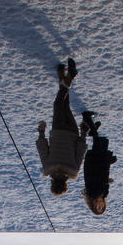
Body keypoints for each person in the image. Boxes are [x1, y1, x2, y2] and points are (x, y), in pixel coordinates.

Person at [36, 58, 87, 196]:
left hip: (72, 132)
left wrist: (83, 133)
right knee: (59, 104)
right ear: (52, 184)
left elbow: (80, 151)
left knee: (64, 104)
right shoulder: (48, 169)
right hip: (58, 131)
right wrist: (41, 132)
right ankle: (69, 76)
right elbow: (42, 148)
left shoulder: (74, 172)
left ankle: (62, 76)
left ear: (65, 184)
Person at [80, 111, 116, 215]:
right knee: (103, 141)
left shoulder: (92, 193)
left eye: (98, 208)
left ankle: (87, 118)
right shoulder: (104, 194)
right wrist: (107, 179)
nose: (100, 206)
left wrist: (105, 179)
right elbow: (103, 177)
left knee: (98, 141)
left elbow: (93, 177)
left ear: (94, 205)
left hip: (94, 163)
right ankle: (92, 129)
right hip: (102, 164)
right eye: (102, 208)